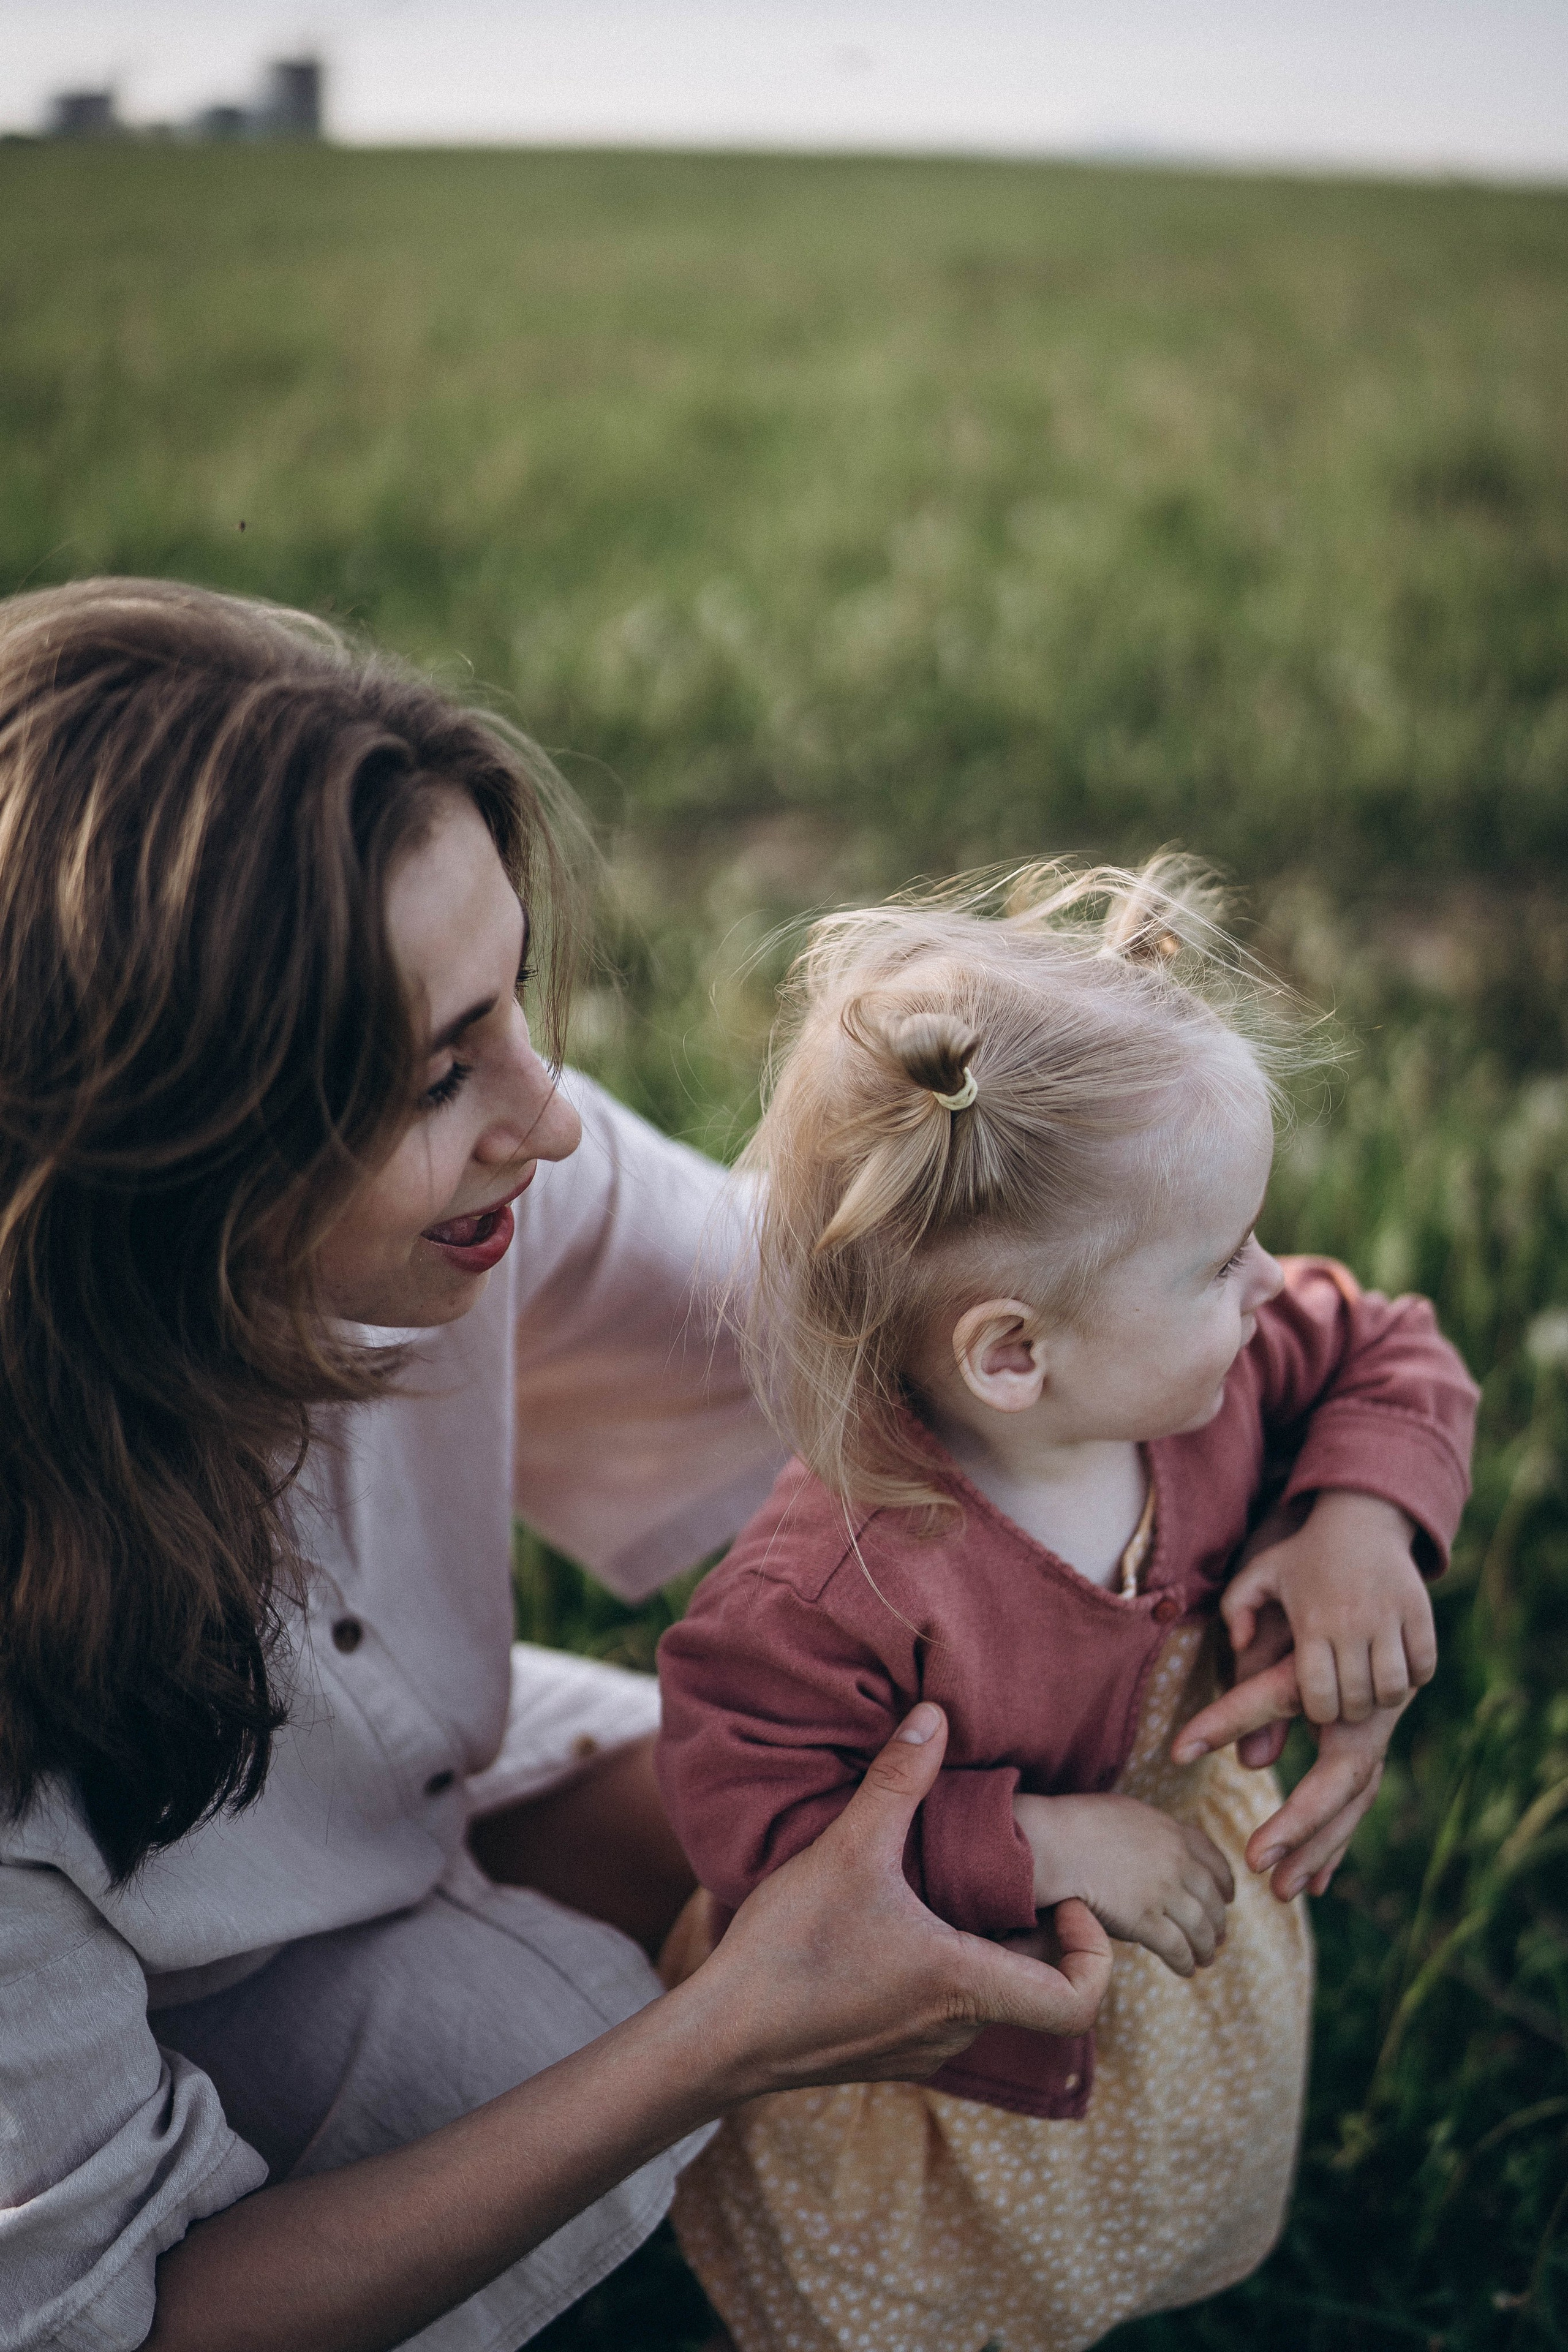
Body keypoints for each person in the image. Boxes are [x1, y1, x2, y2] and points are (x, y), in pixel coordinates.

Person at [0, 579, 1117, 2352]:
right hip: (121, 2059)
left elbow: (895, 1303)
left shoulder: (479, 1199)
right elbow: (111, 2333)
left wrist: (1325, 1462)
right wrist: (730, 2035)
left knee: (858, 1804)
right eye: (443, 1072)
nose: (554, 1117)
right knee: (550, 2049)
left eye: (513, 998)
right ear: (161, 1158)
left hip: (387, 1804)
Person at [655, 862, 1480, 2352]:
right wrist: (1029, 1842)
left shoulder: (1206, 1383)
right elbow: (753, 1826)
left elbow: (1386, 1346)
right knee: (942, 2297)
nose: (1264, 1282)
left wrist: (1360, 1519)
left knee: (1117, 2231)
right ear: (1014, 1356)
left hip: (1160, 1980)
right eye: (1219, 1261)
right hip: (938, 2057)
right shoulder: (842, 1577)